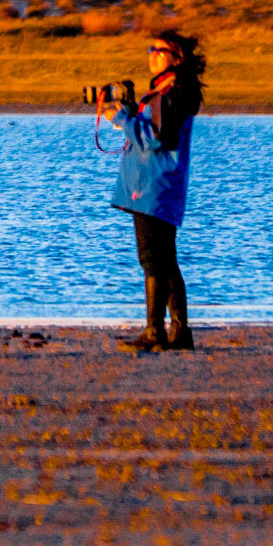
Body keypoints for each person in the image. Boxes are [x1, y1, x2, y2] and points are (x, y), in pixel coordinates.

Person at [104, 29, 204, 352]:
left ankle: (154, 331)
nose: (153, 55)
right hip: (163, 187)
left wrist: (121, 119)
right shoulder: (172, 91)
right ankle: (178, 331)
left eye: (161, 51)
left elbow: (156, 139)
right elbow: (158, 131)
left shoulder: (169, 93)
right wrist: (133, 113)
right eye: (151, 49)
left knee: (152, 259)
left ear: (177, 59)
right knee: (165, 259)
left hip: (153, 188)